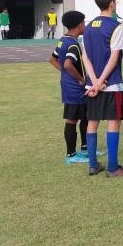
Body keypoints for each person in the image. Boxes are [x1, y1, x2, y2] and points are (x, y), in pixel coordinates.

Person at [81, 0, 123, 176]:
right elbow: (114, 57)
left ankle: (93, 165)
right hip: (111, 84)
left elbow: (85, 56)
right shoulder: (115, 26)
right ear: (112, 3)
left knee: (92, 122)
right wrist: (101, 81)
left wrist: (94, 81)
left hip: (92, 84)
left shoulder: (88, 27)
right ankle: (112, 167)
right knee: (114, 121)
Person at [48, 10, 90, 164]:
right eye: (84, 23)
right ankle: (71, 155)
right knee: (72, 119)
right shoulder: (73, 44)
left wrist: (65, 74)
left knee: (85, 116)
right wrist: (80, 79)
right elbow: (67, 64)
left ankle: (86, 148)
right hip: (75, 89)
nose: (85, 25)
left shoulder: (63, 40)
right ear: (80, 25)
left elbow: (52, 59)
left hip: (69, 85)